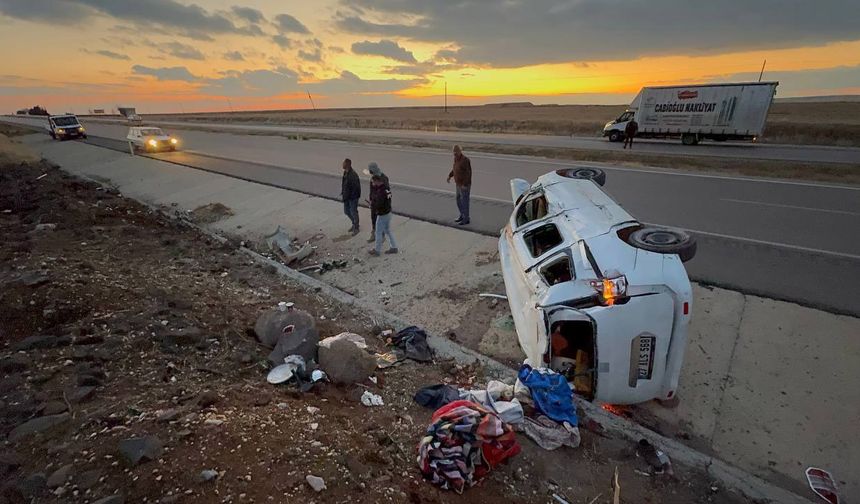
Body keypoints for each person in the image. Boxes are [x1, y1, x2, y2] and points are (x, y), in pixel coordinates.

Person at [368, 174, 398, 256]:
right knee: (388, 230)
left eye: (373, 182)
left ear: (377, 181)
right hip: (388, 212)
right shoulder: (386, 188)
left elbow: (379, 204)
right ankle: (394, 247)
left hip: (382, 214)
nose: (372, 184)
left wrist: (372, 205)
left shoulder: (380, 192)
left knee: (378, 232)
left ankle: (377, 250)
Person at [363, 162, 390, 243]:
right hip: (374, 203)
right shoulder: (372, 178)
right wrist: (371, 200)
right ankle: (374, 233)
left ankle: (382, 236)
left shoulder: (384, 178)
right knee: (373, 219)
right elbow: (371, 191)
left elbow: (386, 192)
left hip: (381, 204)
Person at [446, 145, 472, 225]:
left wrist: (464, 184)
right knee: (458, 200)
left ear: (460, 152)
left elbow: (468, 173)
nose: (454, 154)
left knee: (465, 202)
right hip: (458, 184)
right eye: (454, 153)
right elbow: (455, 169)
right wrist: (450, 176)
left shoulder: (465, 160)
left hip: (464, 185)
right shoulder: (456, 159)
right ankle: (462, 215)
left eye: (456, 153)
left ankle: (466, 219)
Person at [340, 158, 360, 234]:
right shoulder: (345, 173)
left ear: (347, 165)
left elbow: (356, 188)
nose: (342, 164)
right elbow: (344, 184)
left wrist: (352, 197)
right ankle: (354, 223)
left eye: (343, 163)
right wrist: (343, 193)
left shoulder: (353, 175)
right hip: (346, 197)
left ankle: (356, 227)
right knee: (346, 211)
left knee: (353, 211)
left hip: (352, 198)